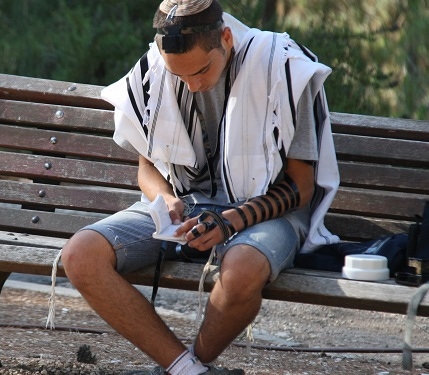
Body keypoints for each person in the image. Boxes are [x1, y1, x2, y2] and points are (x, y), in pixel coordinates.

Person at [60, 0, 340, 373]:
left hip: (268, 211)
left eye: (202, 71)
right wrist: (166, 199)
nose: (192, 84)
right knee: (80, 255)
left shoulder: (283, 67)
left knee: (241, 270)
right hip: (188, 205)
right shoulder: (154, 71)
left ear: (225, 37)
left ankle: (194, 364)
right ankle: (186, 370)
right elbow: (147, 168)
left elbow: (301, 187)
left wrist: (229, 222)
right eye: (181, 77)